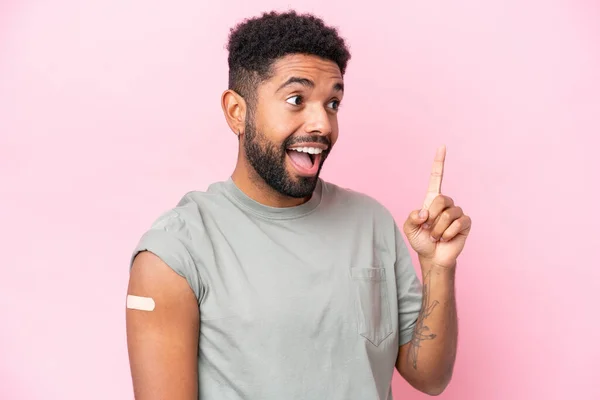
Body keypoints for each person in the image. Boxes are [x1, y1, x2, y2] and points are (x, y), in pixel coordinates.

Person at [125, 10, 471, 400]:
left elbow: (431, 377)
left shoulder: (371, 222)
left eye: (333, 103)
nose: (322, 124)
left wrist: (438, 267)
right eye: (296, 99)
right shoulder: (174, 253)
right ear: (236, 112)